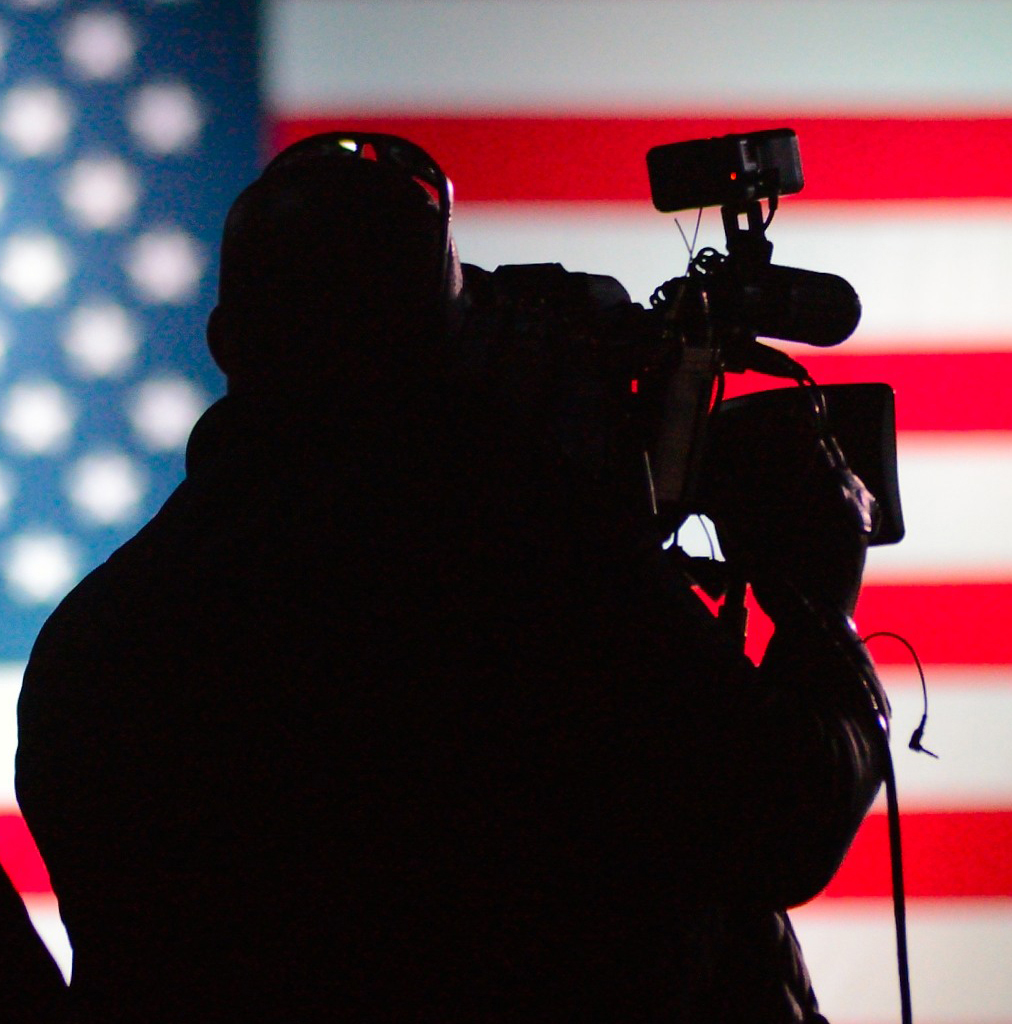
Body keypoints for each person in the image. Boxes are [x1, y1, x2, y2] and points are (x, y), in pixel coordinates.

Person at [15, 133, 889, 1022]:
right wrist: (821, 592)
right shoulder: (539, 595)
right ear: (447, 344)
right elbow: (784, 819)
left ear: (225, 343)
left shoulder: (97, 642)